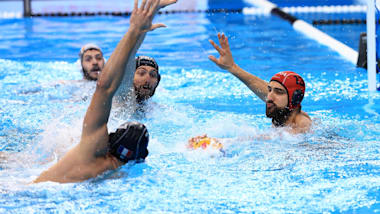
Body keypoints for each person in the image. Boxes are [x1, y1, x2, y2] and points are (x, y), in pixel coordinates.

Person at [33, 0, 176, 183]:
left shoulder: (94, 151)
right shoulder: (121, 173)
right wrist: (137, 31)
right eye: (141, 73)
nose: (147, 78)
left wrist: (136, 29)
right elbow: (115, 76)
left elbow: (105, 87)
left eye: (152, 75)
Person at [208, 33, 312, 134]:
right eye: (270, 90)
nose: (269, 96)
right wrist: (232, 67)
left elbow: (279, 138)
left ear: (294, 99)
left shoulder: (302, 125)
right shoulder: (283, 111)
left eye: (278, 92)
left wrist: (226, 142)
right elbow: (258, 85)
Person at [79, 43, 161, 105]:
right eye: (141, 73)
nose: (95, 62)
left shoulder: (154, 108)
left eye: (153, 75)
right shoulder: (118, 93)